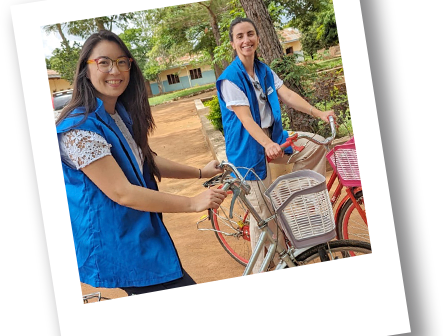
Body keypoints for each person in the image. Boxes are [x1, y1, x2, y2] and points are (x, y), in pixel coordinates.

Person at [56, 30, 227, 296]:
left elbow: (147, 160)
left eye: (122, 61)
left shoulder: (118, 114)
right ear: (85, 70)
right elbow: (122, 192)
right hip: (117, 241)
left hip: (139, 232)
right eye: (104, 62)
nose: (115, 70)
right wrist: (193, 203)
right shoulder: (80, 129)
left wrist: (200, 172)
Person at [216, 16, 336, 273]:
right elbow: (246, 120)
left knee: (315, 144)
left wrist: (320, 114)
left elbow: (288, 95)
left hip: (274, 141)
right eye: (240, 36)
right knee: (267, 227)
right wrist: (267, 143)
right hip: (249, 153)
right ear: (233, 44)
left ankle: (297, 202)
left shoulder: (263, 70)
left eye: (250, 34)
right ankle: (262, 273)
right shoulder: (230, 79)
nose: (246, 40)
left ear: (257, 38)